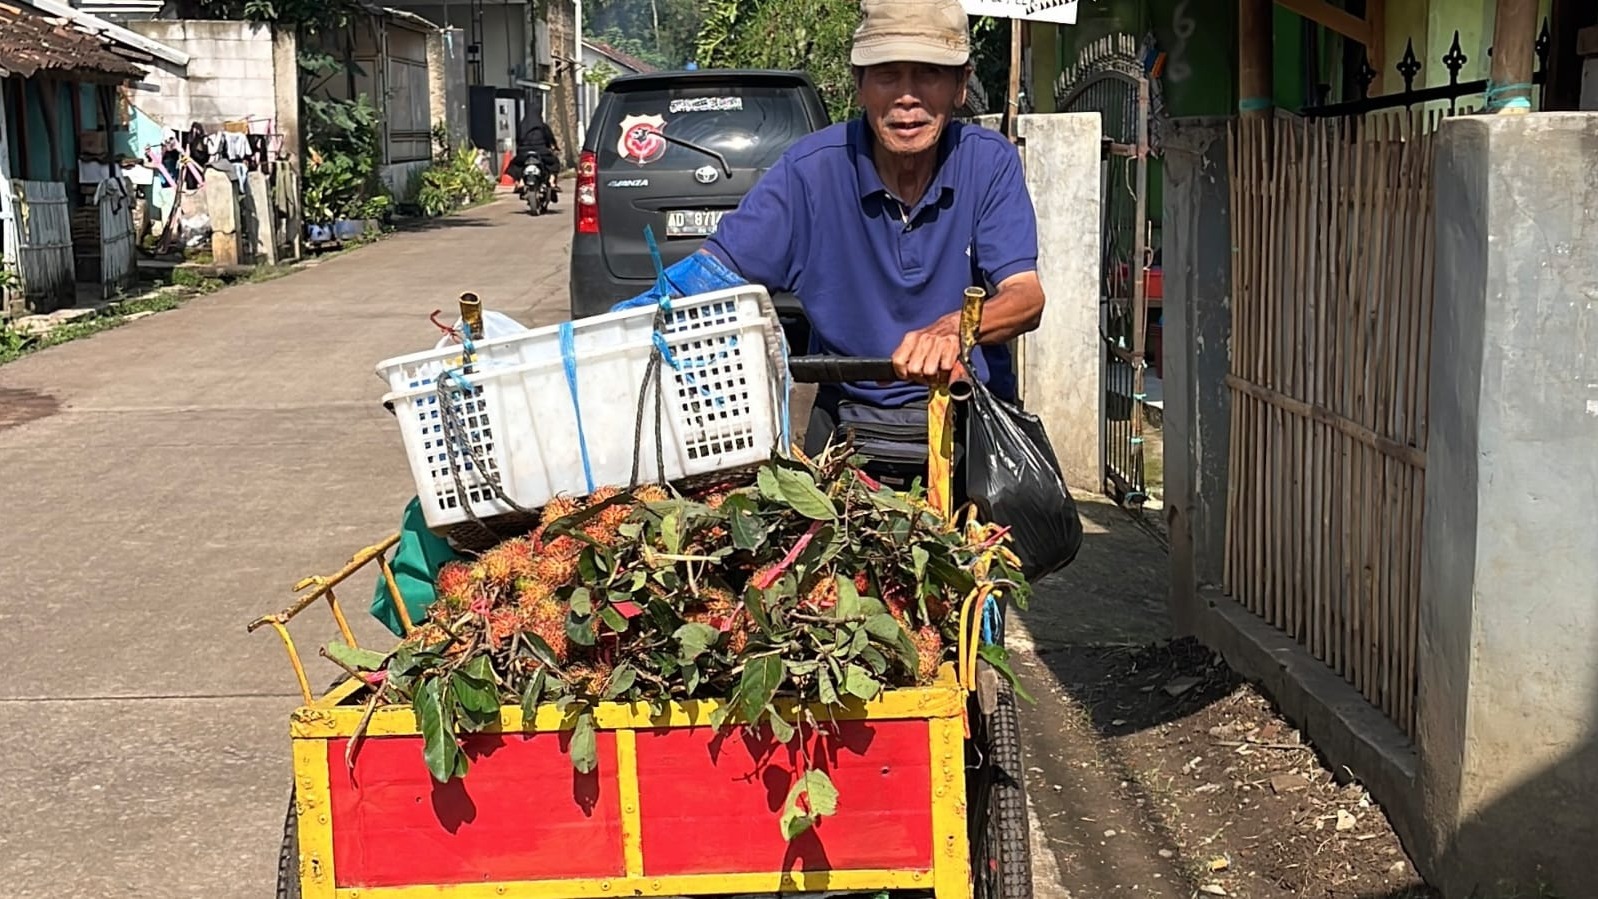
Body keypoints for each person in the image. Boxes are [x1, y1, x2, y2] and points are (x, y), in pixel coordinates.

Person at [617, 0, 1045, 460]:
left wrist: (951, 331)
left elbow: (1025, 298)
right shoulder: (809, 174)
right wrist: (600, 339)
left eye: (929, 73)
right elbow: (702, 283)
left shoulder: (988, 161)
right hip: (849, 431)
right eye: (886, 74)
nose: (907, 97)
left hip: (972, 426)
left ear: (961, 85)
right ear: (859, 84)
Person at [514, 106, 560, 198]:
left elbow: (518, 139)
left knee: (517, 164)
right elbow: (549, 138)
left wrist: (521, 148)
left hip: (524, 153)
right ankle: (551, 181)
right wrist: (555, 146)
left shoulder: (522, 126)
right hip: (541, 152)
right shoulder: (542, 126)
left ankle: (520, 182)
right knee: (554, 162)